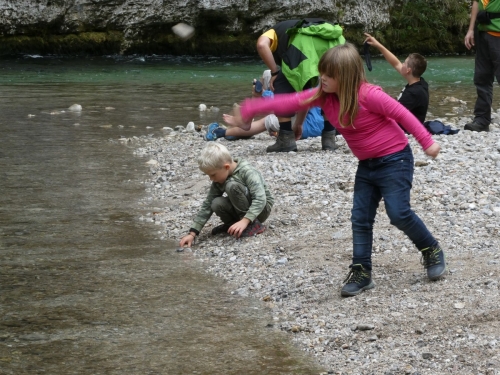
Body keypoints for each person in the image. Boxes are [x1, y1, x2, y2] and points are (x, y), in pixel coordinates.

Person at [230, 43, 447, 296]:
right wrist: (248, 110)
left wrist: (427, 142)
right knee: (360, 218)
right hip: (367, 164)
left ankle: (431, 249)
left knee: (398, 213)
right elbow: (290, 100)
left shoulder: (369, 95)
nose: (323, 78)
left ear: (345, 76)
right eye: (322, 72)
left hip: (395, 159)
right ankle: (362, 271)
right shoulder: (323, 95)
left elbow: (403, 115)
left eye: (329, 75)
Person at [256, 18, 345, 152]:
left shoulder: (273, 32)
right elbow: (306, 89)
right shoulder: (310, 27)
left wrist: (275, 72)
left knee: (282, 81)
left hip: (302, 46)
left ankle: (286, 140)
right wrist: (299, 123)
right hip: (336, 43)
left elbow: (261, 45)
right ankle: (329, 139)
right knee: (330, 87)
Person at [179, 142, 274, 247]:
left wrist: (245, 221)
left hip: (261, 210)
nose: (211, 179)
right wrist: (192, 233)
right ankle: (232, 225)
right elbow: (208, 203)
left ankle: (252, 224)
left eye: (213, 175)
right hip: (243, 210)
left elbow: (261, 199)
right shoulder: (219, 178)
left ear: (226, 167)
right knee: (215, 203)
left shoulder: (248, 172)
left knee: (231, 186)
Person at [205, 70, 328, 143]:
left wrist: (261, 95)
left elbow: (291, 103)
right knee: (268, 73)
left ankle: (222, 132)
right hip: (309, 116)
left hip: (308, 125)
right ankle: (245, 122)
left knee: (268, 120)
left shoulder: (312, 92)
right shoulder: (319, 87)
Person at [364, 33, 429, 124]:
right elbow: (395, 63)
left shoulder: (413, 94)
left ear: (408, 70)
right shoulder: (420, 82)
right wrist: (378, 45)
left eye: (404, 63)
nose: (401, 64)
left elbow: (393, 115)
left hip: (406, 129)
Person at [464, 0, 500, 132]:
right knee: (482, 76)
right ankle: (481, 119)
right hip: (482, 33)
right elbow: (476, 3)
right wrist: (471, 29)